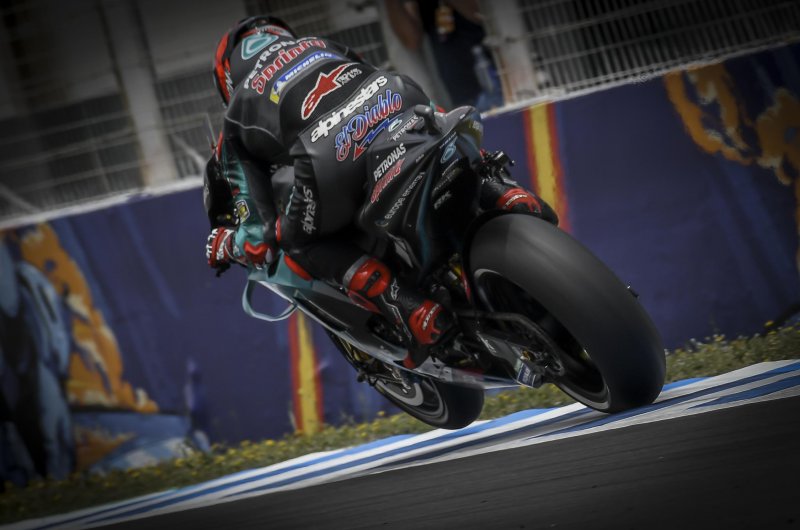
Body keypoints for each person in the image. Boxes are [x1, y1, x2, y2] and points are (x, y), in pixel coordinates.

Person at [204, 16, 556, 368]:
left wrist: (226, 243)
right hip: (398, 98)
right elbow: (374, 76)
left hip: (329, 156)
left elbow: (258, 241)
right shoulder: (320, 45)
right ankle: (504, 192)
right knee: (443, 133)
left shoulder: (236, 115)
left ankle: (407, 304)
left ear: (228, 80)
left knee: (298, 245)